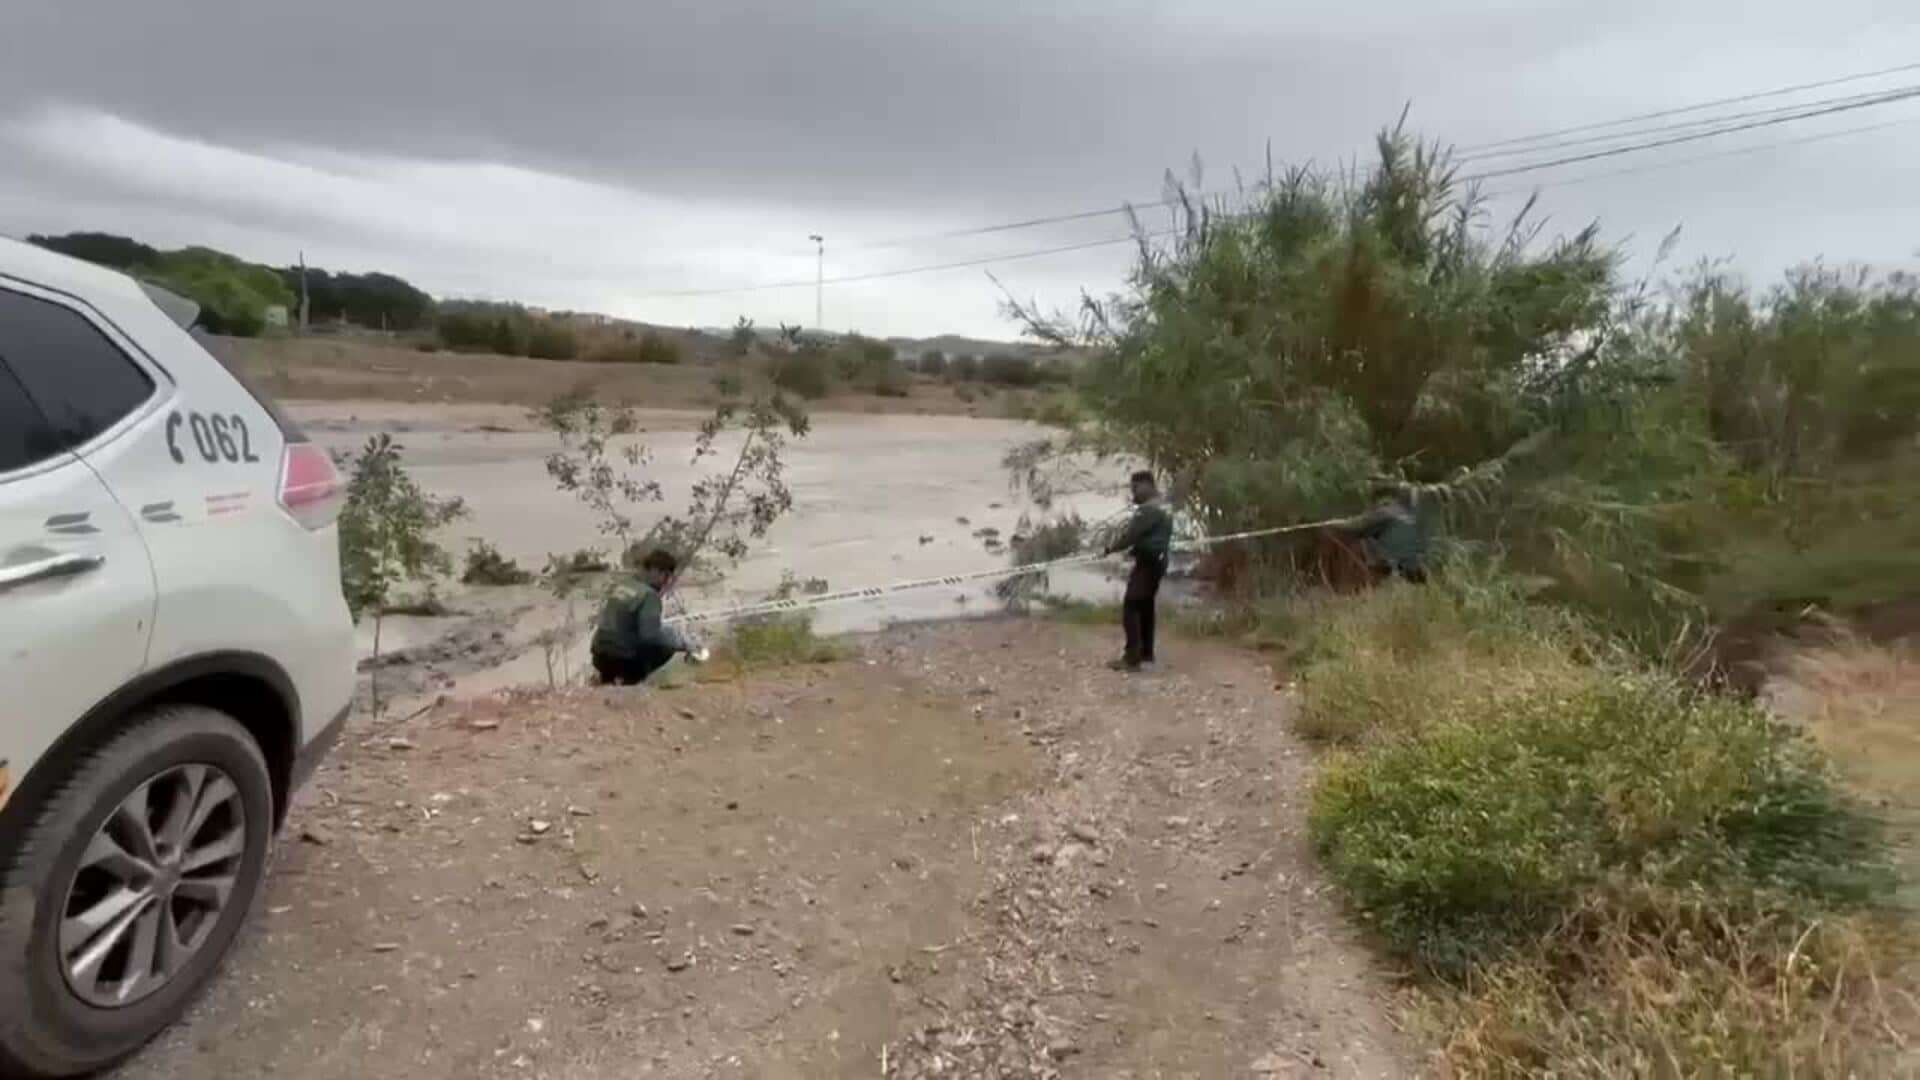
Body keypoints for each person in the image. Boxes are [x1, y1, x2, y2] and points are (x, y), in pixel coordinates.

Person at [590, 548, 699, 685]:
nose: (666, 582)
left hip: (599, 655)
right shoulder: (649, 596)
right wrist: (681, 643)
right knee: (667, 645)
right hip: (622, 659)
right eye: (665, 576)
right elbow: (650, 635)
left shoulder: (623, 585)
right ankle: (631, 682)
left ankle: (607, 680)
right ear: (655, 571)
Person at [1104, 470, 1173, 672]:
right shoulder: (1163, 505)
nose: (1133, 492)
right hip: (1159, 561)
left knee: (1131, 606)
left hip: (1149, 562)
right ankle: (1146, 652)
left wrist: (1109, 549)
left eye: (1135, 487)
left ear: (1147, 485)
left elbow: (1131, 535)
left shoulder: (1148, 510)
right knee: (1145, 606)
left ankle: (1132, 657)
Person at [1331, 480, 1428, 583]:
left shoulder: (1384, 513)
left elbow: (1354, 526)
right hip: (1414, 562)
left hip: (1396, 567)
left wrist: (1332, 523)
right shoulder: (1405, 513)